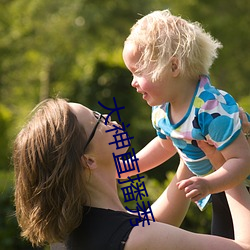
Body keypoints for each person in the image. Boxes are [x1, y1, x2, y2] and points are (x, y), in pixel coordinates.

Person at [13, 98, 250, 250]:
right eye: (97, 120)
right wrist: (226, 165)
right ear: (88, 160)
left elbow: (154, 222)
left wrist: (189, 138)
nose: (107, 117)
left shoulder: (72, 233)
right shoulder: (138, 239)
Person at [122, 9, 250, 238]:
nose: (133, 82)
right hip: (221, 188)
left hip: (240, 184)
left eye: (138, 72)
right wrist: (129, 167)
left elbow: (242, 160)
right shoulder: (162, 110)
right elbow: (165, 145)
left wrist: (209, 184)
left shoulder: (211, 109)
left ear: (173, 67)